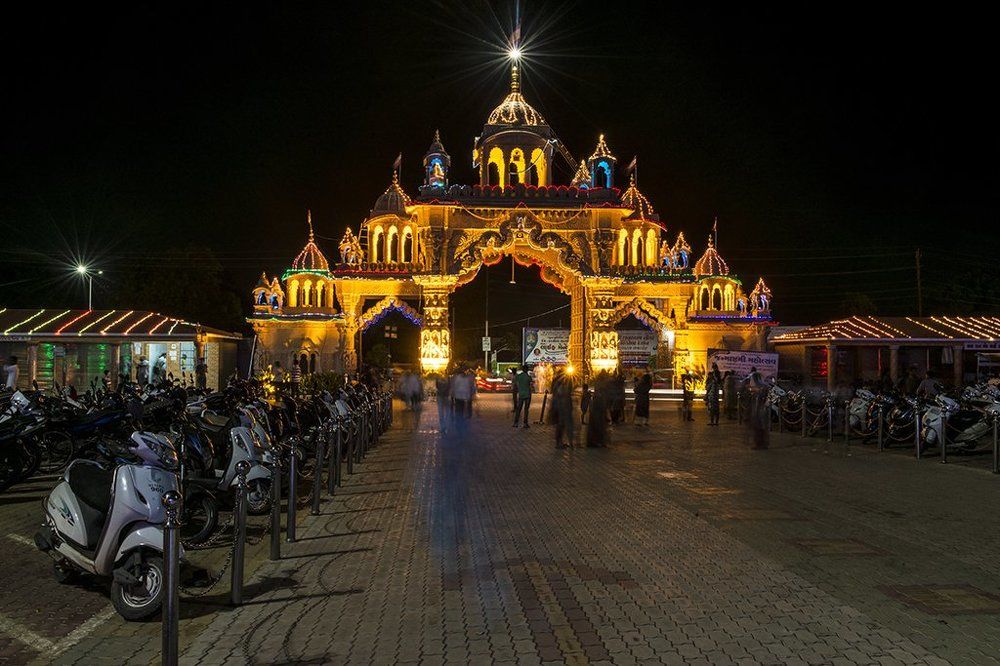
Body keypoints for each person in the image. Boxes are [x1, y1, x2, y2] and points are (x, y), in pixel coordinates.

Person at [551, 369, 574, 448]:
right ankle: (560, 443)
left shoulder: (557, 382)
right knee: (562, 424)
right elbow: (564, 393)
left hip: (560, 405)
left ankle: (560, 442)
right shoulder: (561, 383)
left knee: (561, 424)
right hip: (562, 406)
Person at [586, 373, 610, 447]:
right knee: (598, 427)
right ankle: (598, 441)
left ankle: (598, 441)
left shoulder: (599, 393)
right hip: (598, 413)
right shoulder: (600, 394)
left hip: (599, 413)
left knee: (599, 427)